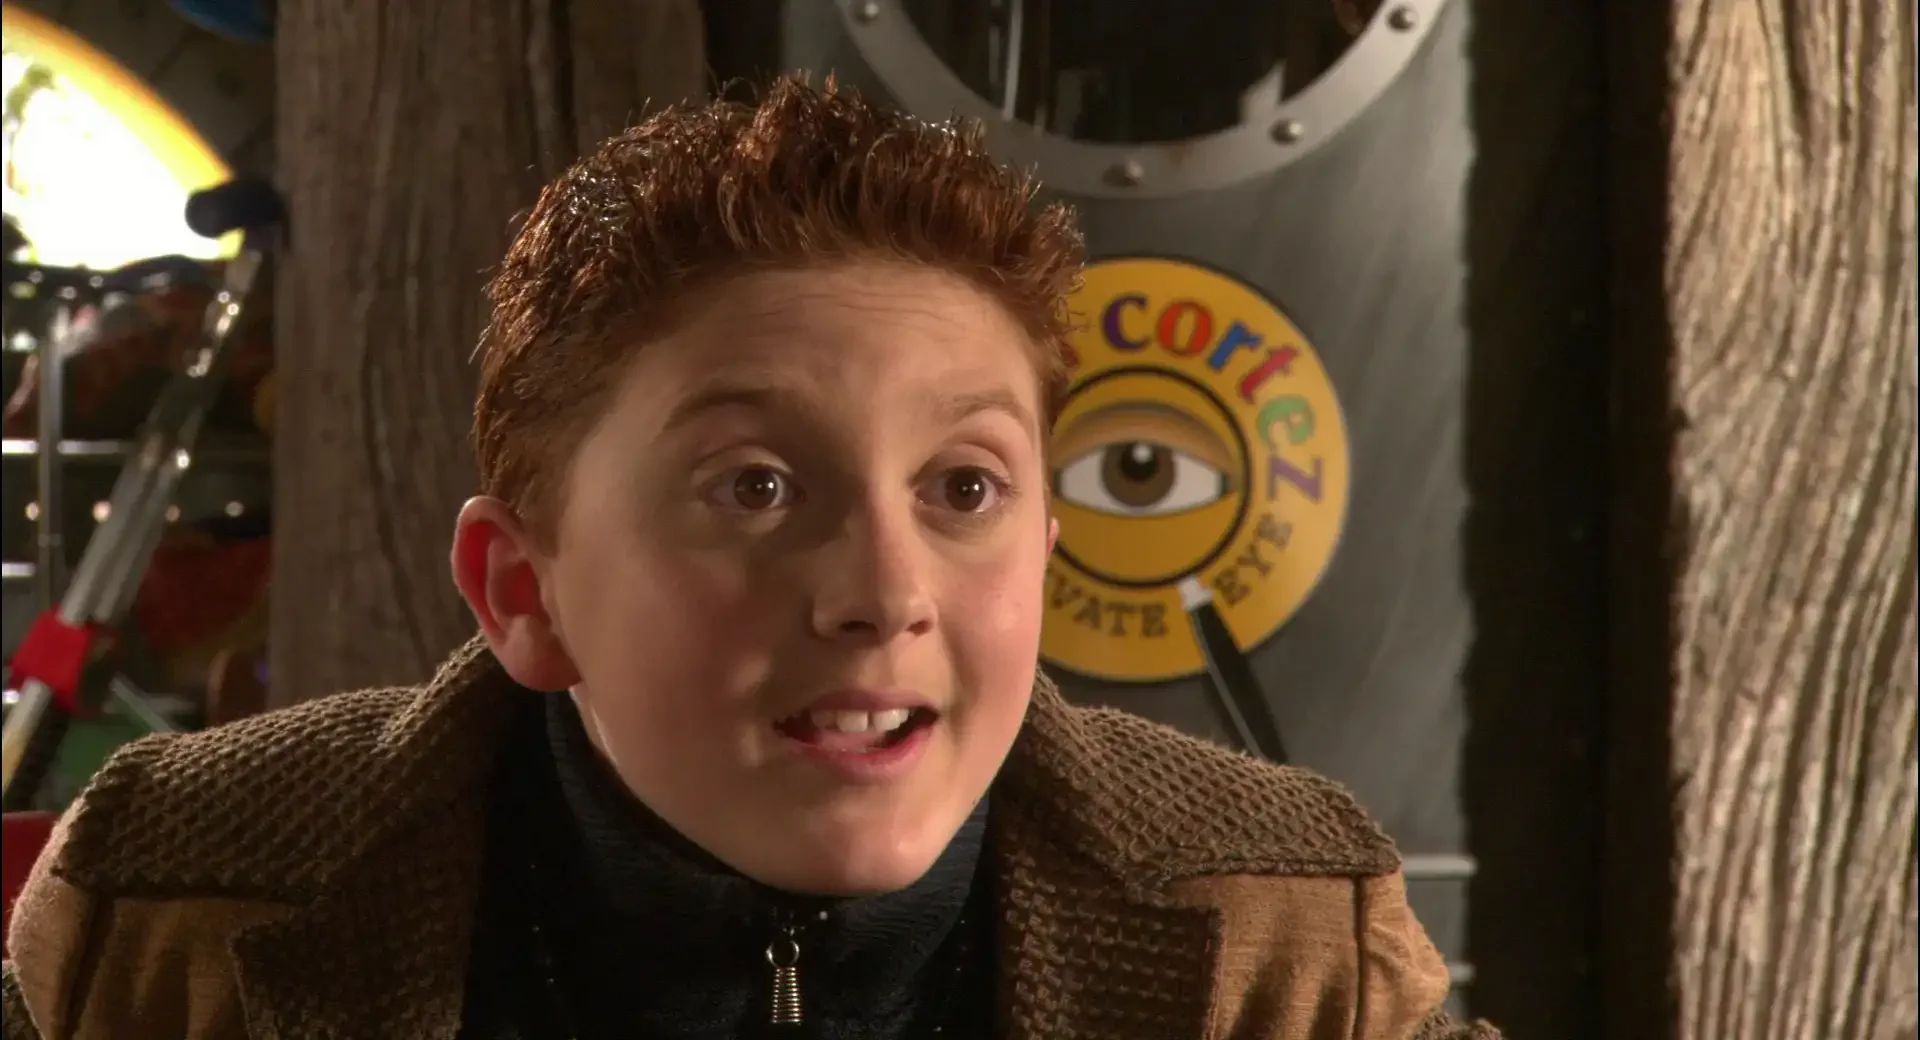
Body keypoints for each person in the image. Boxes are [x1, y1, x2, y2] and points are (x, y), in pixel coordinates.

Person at [2, 75, 1500, 1039]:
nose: (886, 594)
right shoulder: (175, 907)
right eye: (759, 486)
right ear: (525, 592)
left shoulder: (1283, 947)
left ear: (1046, 548)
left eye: (964, 486)